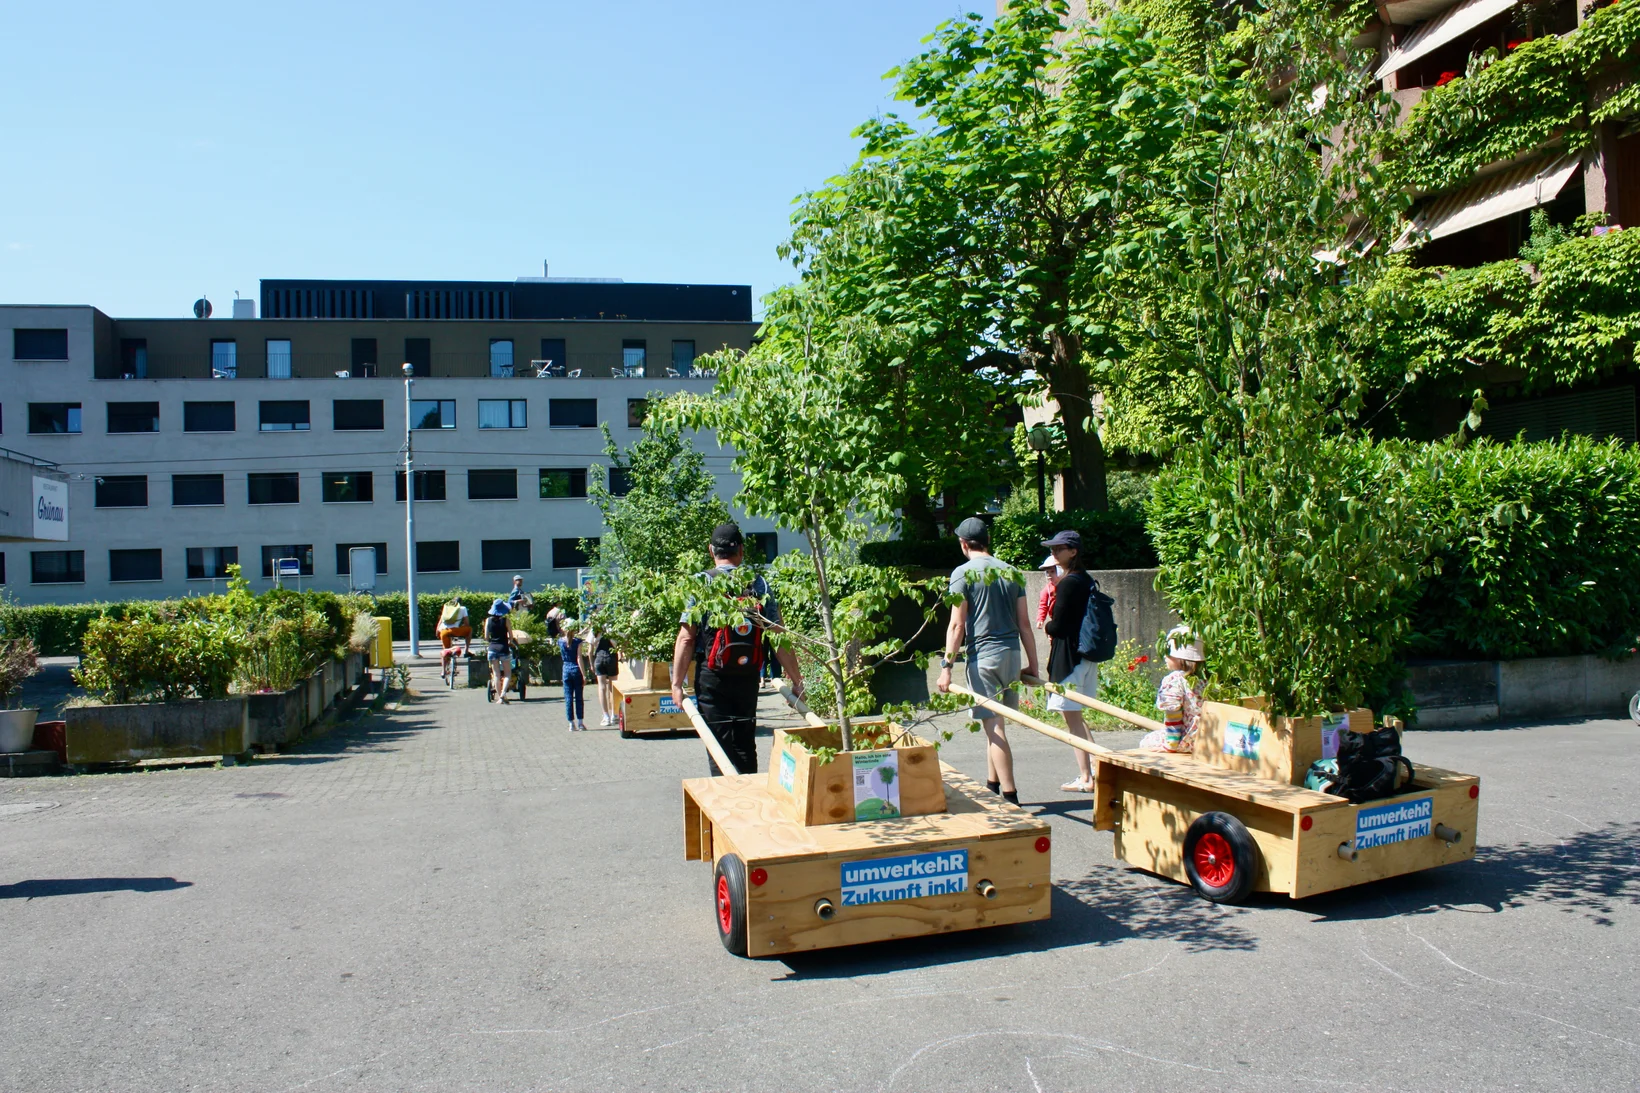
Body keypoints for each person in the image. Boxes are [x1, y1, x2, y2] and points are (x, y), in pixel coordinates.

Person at [671, 522, 805, 776]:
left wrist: (677, 684)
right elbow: (779, 637)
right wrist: (797, 681)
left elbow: (686, 638)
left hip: (712, 676)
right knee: (745, 744)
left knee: (718, 746)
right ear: (741, 551)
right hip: (748, 674)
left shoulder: (701, 583)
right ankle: (750, 802)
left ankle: (727, 805)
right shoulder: (759, 584)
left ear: (712, 551)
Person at [936, 517, 1041, 806]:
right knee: (995, 725)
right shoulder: (1012, 572)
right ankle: (992, 785)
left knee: (993, 728)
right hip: (1010, 654)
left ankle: (1011, 796)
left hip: (983, 658)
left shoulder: (962, 573)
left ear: (963, 544)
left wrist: (946, 668)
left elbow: (957, 626)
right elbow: (1025, 625)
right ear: (987, 541)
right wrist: (1033, 665)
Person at [1040, 531, 1101, 792]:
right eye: (1052, 549)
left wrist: (1047, 625)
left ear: (1073, 551)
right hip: (1086, 656)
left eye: (1059, 548)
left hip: (1069, 660)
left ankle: (1087, 777)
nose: (1054, 553)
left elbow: (1059, 626)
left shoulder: (1068, 583)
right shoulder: (1087, 580)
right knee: (1077, 717)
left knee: (1072, 721)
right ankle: (1094, 770)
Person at [1142, 626, 1207, 752]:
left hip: (1186, 741)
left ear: (1180, 658)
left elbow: (1174, 717)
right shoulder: (1206, 680)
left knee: (1147, 741)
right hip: (1206, 739)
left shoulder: (1174, 680)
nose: (1165, 657)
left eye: (1168, 653)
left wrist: (1170, 745)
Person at [559, 619, 591, 731]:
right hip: (576, 670)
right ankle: (581, 723)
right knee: (579, 697)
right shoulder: (578, 642)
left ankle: (571, 724)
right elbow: (579, 658)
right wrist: (584, 674)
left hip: (566, 670)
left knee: (568, 698)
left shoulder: (560, 641)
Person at [483, 599, 513, 703]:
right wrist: (510, 641)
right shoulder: (506, 621)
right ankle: (503, 695)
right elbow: (511, 637)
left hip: (492, 649)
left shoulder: (488, 621)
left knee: (496, 674)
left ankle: (500, 696)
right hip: (503, 648)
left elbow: (486, 637)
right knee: (507, 673)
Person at [436, 597, 471, 681]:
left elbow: (441, 620)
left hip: (444, 631)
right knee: (469, 630)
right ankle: (466, 650)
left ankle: (443, 671)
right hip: (455, 630)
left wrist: (437, 631)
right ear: (460, 603)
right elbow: (467, 623)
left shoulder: (446, 607)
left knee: (445, 651)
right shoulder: (463, 608)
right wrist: (462, 627)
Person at [592, 629, 619, 726]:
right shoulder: (612, 628)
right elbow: (617, 644)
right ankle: (614, 714)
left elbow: (591, 645)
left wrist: (591, 663)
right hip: (611, 657)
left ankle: (606, 716)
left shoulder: (595, 628)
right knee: (613, 687)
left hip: (599, 657)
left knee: (601, 687)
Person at [1035, 554, 1060, 631]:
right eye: (1047, 572)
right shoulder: (1047, 590)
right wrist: (1040, 619)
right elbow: (1043, 605)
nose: (1049, 575)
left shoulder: (1066, 585)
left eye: (1052, 571)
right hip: (1055, 618)